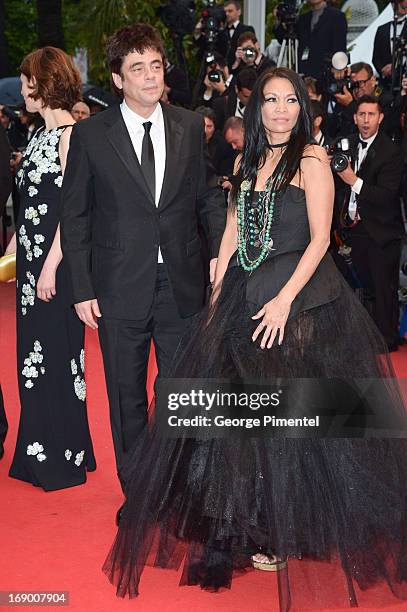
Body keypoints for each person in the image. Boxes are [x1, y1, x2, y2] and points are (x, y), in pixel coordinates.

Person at [103, 67, 407, 610]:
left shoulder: (312, 160)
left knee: (297, 414)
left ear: (303, 108)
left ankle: (292, 523)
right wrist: (220, 280)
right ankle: (253, 522)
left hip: (302, 298)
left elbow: (320, 241)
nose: (281, 110)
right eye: (271, 100)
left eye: (291, 100)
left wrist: (287, 301)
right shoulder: (244, 161)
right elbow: (232, 226)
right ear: (257, 108)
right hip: (243, 293)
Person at [60, 24, 226, 501]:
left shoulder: (189, 125)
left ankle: (179, 489)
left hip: (181, 284)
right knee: (127, 397)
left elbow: (206, 197)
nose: (151, 77)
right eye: (138, 68)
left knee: (181, 396)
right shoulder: (91, 134)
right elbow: (76, 216)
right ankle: (139, 496)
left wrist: (217, 253)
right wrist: (83, 287)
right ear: (117, 78)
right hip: (118, 287)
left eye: (156, 66)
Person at [5, 47, 96, 491]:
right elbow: (28, 208)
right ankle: (42, 446)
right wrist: (14, 250)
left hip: (55, 269)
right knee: (32, 359)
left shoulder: (71, 136)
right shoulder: (38, 134)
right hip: (30, 266)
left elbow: (73, 211)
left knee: (57, 356)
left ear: (45, 82)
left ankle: (60, 454)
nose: (23, 90)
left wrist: (49, 267)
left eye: (27, 82)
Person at [333, 95, 404, 352]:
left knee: (384, 289)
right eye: (361, 115)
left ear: (380, 118)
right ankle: (369, 337)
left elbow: (386, 195)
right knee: (366, 287)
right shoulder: (347, 144)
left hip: (382, 231)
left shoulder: (391, 151)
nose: (365, 120)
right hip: (356, 229)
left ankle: (387, 339)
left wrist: (353, 180)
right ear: (354, 117)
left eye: (371, 115)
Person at [274, 0, 347, 80]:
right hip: (303, 74)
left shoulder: (337, 16)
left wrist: (338, 67)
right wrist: (278, 19)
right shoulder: (302, 19)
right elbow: (285, 39)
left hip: (326, 74)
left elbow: (340, 47)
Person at [373, 0, 407, 89]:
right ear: (393, 5)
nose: (404, 4)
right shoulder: (382, 29)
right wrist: (383, 70)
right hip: (386, 84)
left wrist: (396, 67)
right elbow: (375, 57)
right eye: (400, 2)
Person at [213, 66, 257, 131]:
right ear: (236, 89)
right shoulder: (222, 104)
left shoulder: (260, 108)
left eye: (253, 96)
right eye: (246, 96)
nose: (250, 101)